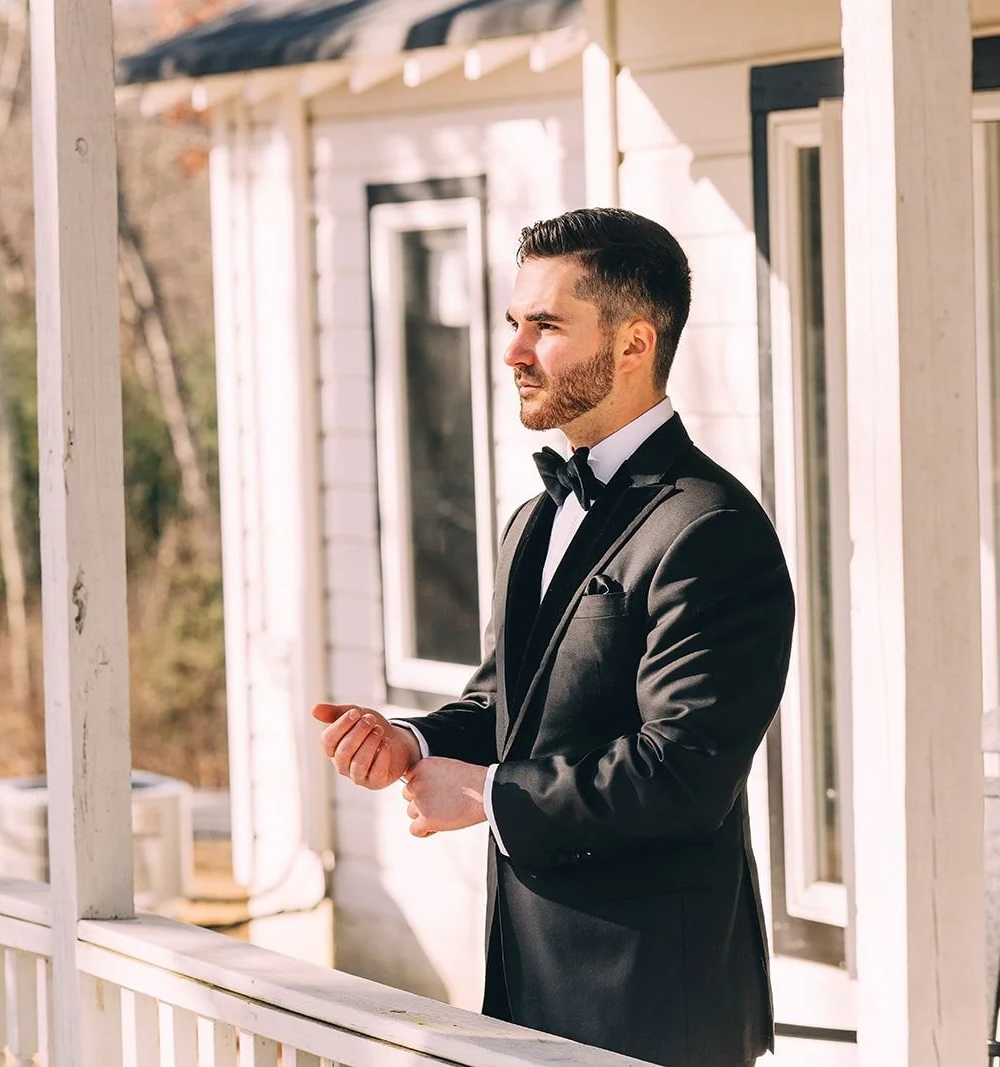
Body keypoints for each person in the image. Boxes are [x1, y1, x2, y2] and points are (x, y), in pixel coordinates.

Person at [312, 207, 794, 1067]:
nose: (514, 352)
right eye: (513, 323)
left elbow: (683, 772)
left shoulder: (711, 527)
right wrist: (412, 739)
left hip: (656, 1006)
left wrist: (492, 794)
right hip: (526, 989)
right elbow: (508, 701)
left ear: (635, 343)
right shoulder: (533, 520)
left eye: (546, 325)